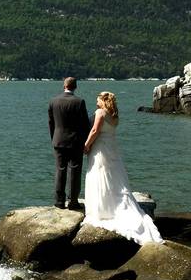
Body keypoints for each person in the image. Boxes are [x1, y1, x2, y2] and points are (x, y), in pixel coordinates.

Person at [83, 91, 163, 244]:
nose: (96, 101)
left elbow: (95, 131)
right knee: (113, 177)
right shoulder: (115, 116)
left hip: (100, 148)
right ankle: (111, 204)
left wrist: (86, 145)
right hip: (112, 148)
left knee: (99, 174)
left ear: (103, 100)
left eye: (98, 98)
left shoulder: (100, 112)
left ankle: (102, 209)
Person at [48, 77, 91, 211]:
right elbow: (85, 124)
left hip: (58, 140)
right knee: (75, 171)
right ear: (75, 87)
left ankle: (59, 201)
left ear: (64, 86)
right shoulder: (79, 102)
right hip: (75, 141)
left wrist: (54, 139)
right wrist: (86, 142)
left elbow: (51, 123)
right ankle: (73, 202)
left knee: (60, 170)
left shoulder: (53, 101)